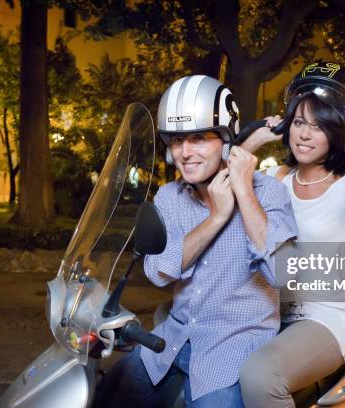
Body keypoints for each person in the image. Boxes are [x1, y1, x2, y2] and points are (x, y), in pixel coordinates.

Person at [97, 75, 297, 408]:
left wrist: (243, 192)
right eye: (176, 140)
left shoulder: (268, 192)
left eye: (199, 138)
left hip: (232, 346)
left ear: (227, 141)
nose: (185, 152)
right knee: (106, 395)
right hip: (172, 339)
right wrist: (216, 216)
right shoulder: (170, 197)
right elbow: (159, 271)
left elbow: (284, 274)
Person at [239, 61, 345, 408]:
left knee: (260, 375)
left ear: (338, 132)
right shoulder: (278, 178)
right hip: (271, 310)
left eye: (319, 126)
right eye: (299, 123)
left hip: (326, 317)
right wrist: (261, 136)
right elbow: (228, 188)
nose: (305, 134)